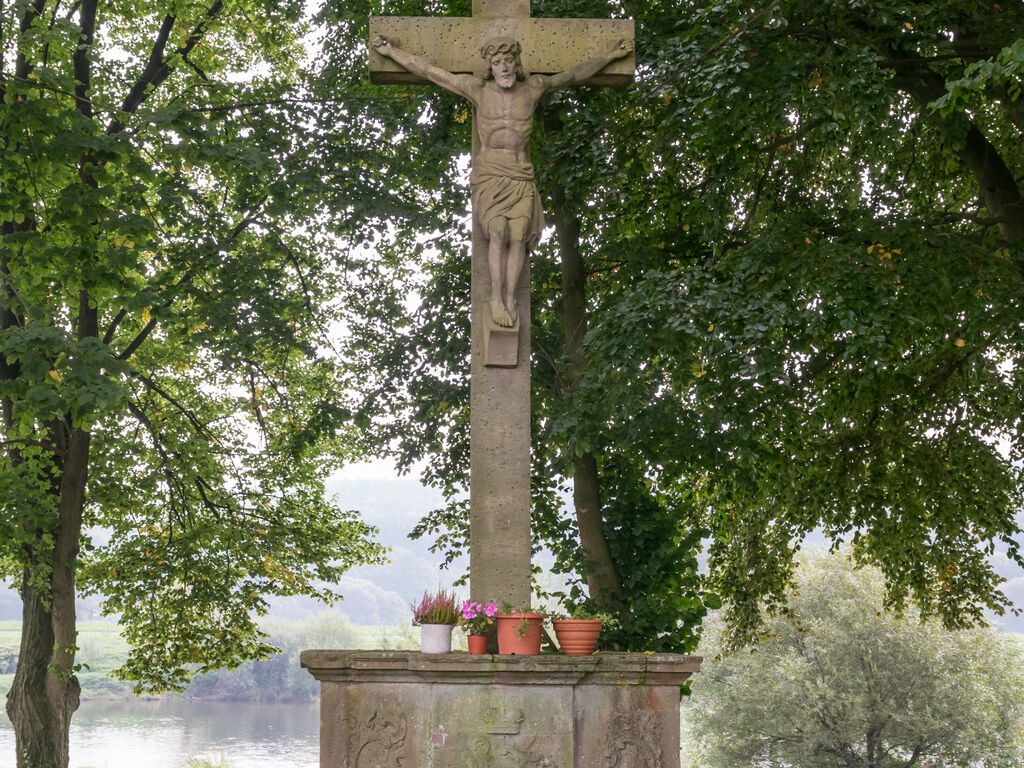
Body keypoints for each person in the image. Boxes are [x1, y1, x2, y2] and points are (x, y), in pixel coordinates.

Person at [373, 34, 634, 327]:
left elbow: (572, 75)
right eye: (497, 62)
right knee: (498, 232)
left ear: (516, 63)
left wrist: (610, 57)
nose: (504, 67)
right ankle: (496, 298)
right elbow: (431, 72)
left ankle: (509, 299)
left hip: (520, 174)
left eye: (509, 61)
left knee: (518, 236)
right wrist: (392, 53)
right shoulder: (477, 89)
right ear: (490, 66)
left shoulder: (533, 88)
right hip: (490, 174)